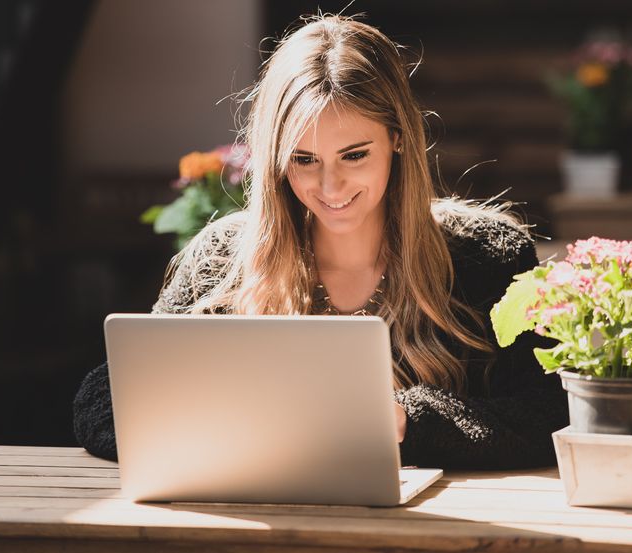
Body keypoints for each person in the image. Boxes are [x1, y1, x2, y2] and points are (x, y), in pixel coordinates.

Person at [73, 14, 567, 469]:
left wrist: (408, 422)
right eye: (304, 160)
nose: (329, 189)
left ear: (398, 137)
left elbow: (552, 413)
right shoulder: (223, 259)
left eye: (354, 155)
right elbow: (102, 401)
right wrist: (231, 431)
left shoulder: (489, 256)